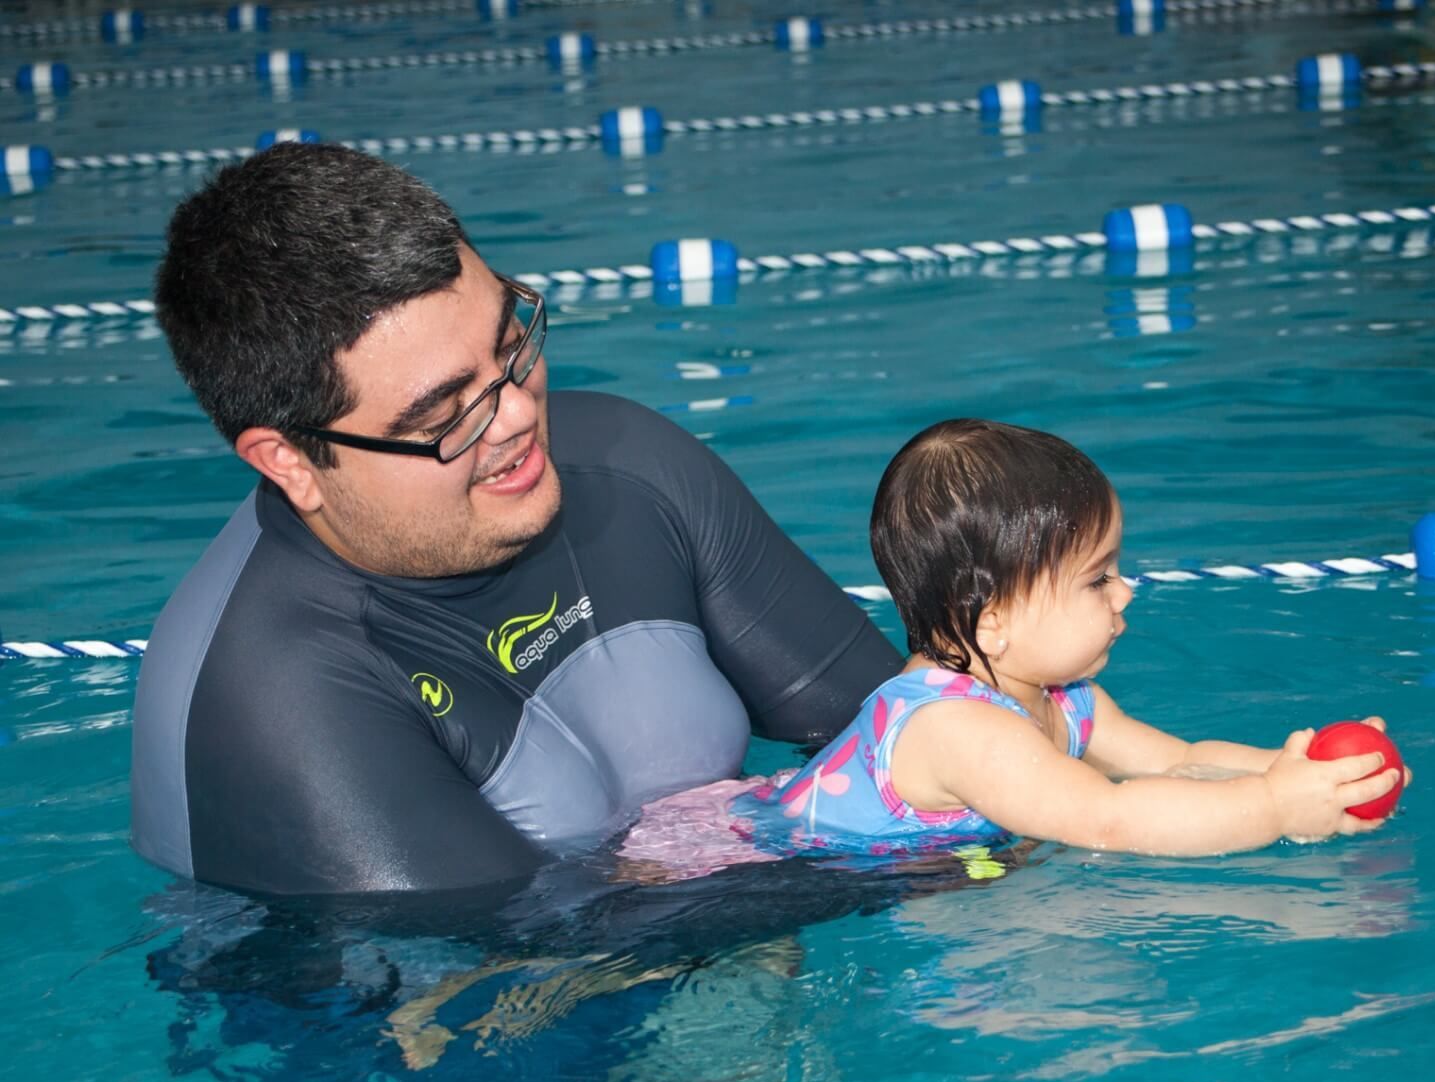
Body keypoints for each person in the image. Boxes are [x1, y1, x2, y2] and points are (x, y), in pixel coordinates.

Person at [129, 143, 902, 897]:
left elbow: (900, 723)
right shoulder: (274, 691)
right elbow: (512, 975)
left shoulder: (632, 466)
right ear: (289, 461)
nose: (518, 416)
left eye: (511, 346)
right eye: (445, 413)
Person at [617, 418, 1409, 876]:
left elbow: (1176, 760)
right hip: (722, 864)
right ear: (989, 620)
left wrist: (1300, 775)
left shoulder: (1060, 695)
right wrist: (1271, 809)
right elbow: (1108, 817)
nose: (1126, 591)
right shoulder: (955, 728)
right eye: (1098, 579)